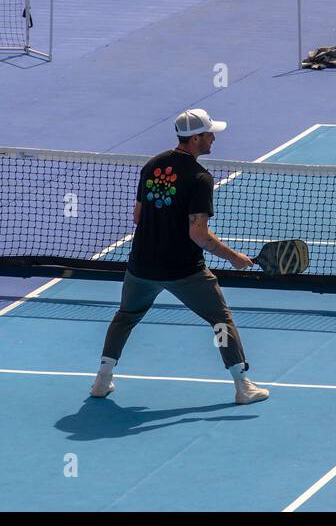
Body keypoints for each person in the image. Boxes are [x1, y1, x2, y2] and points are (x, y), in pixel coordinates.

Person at [90, 110, 269, 405]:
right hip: (184, 270)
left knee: (125, 317)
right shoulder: (200, 178)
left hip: (142, 265)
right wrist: (234, 257)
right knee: (220, 321)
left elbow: (138, 216)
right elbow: (198, 234)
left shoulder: (152, 165)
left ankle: (102, 380)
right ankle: (242, 385)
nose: (214, 138)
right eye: (210, 133)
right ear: (196, 138)